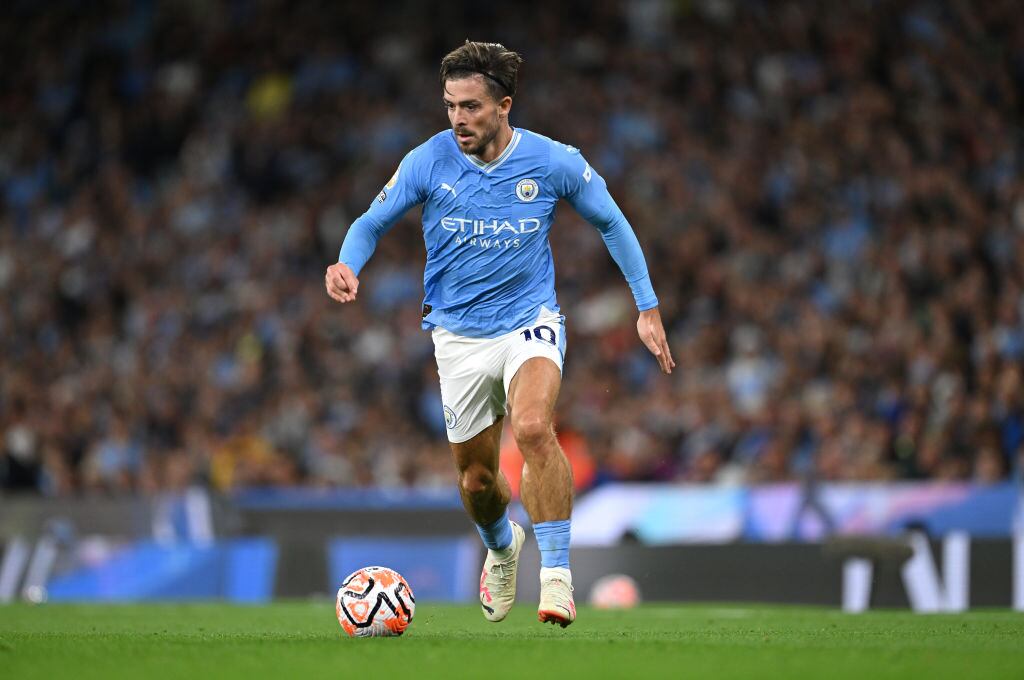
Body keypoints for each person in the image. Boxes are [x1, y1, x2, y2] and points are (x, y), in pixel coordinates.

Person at [325, 41, 673, 627]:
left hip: (528, 321)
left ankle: (558, 576)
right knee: (478, 479)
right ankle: (502, 546)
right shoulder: (427, 161)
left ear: (504, 105)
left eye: (471, 107)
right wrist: (346, 263)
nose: (458, 118)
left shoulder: (553, 161)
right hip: (457, 338)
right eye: (450, 105)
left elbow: (611, 219)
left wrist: (646, 306)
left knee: (534, 426)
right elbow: (370, 220)